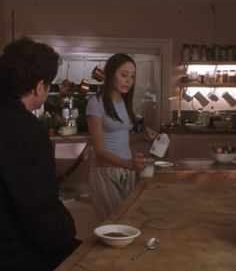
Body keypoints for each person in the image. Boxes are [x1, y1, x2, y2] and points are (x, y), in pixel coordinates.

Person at [0, 37, 81, 271]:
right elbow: (39, 207)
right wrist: (67, 231)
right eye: (49, 85)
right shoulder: (26, 129)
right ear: (39, 86)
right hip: (14, 253)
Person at [86, 53, 158, 221]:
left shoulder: (124, 102)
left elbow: (122, 139)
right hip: (106, 173)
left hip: (126, 171)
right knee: (114, 223)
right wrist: (129, 164)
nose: (129, 80)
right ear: (111, 74)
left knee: (127, 220)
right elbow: (100, 150)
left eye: (132, 76)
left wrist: (142, 138)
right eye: (124, 75)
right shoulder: (95, 103)